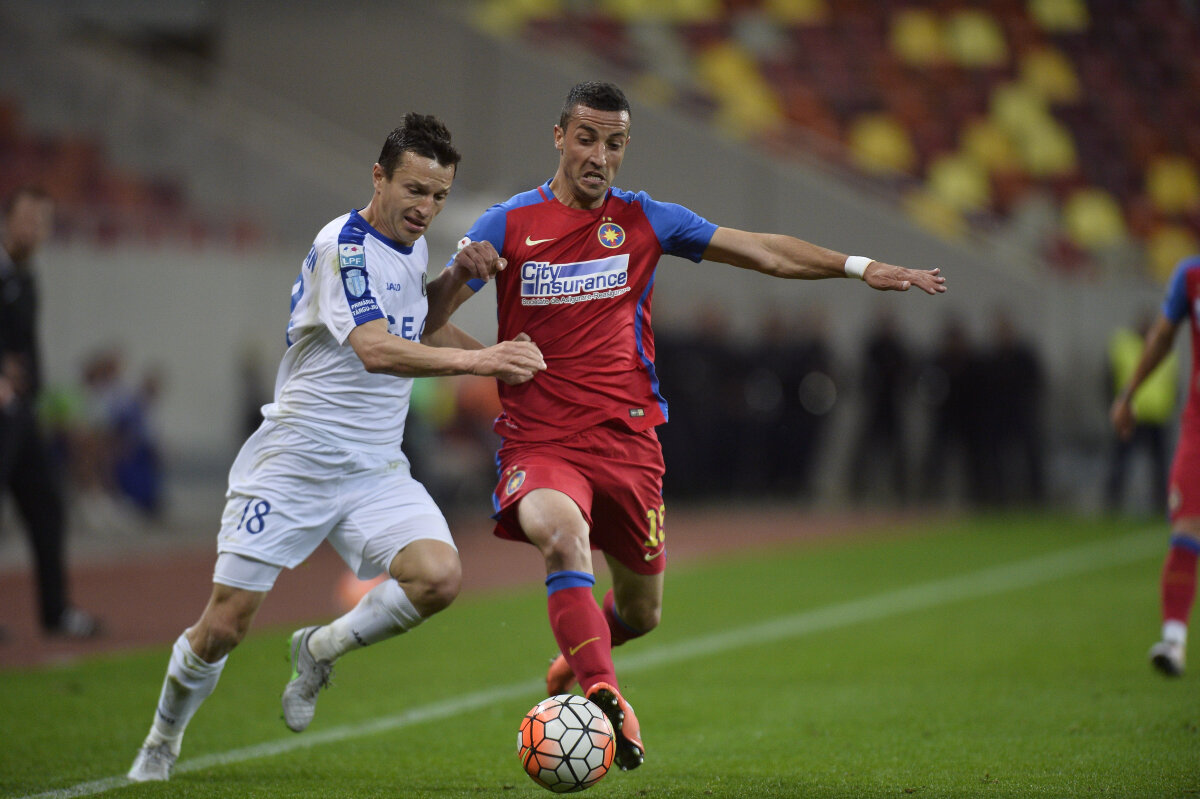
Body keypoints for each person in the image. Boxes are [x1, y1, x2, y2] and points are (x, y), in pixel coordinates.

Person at [423, 81, 946, 771]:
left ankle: (575, 660)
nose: (598, 156)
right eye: (586, 138)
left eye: (614, 143)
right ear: (558, 137)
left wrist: (858, 266)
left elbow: (762, 250)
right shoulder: (505, 225)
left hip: (630, 446)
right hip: (541, 440)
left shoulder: (646, 220)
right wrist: (466, 299)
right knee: (562, 533)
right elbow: (423, 320)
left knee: (641, 612)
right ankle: (605, 691)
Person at [126, 114, 546, 782]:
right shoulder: (345, 247)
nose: (425, 207)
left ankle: (319, 648)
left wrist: (455, 280)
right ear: (377, 176)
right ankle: (161, 739)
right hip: (296, 461)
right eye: (414, 189)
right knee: (226, 624)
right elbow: (377, 349)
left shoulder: (409, 244)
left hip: (375, 467)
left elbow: (418, 322)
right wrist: (487, 359)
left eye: (439, 196)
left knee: (439, 576)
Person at [0, 185, 103, 639]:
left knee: (47, 507)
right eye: (28, 218)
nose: (35, 229)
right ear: (6, 220)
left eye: (43, 221)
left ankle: (56, 611)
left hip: (22, 415)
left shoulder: (26, 275)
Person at [1111, 254, 1200, 678]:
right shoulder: (1190, 275)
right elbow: (1164, 338)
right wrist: (1129, 393)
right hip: (1197, 426)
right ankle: (1174, 641)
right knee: (1185, 527)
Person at [1105, 313, 1177, 514]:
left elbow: (1173, 384)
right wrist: (1118, 403)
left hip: (1157, 416)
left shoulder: (1165, 350)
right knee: (1120, 462)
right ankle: (1112, 503)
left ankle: (1161, 503)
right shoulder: (1123, 345)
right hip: (1131, 415)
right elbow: (1109, 378)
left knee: (1160, 466)